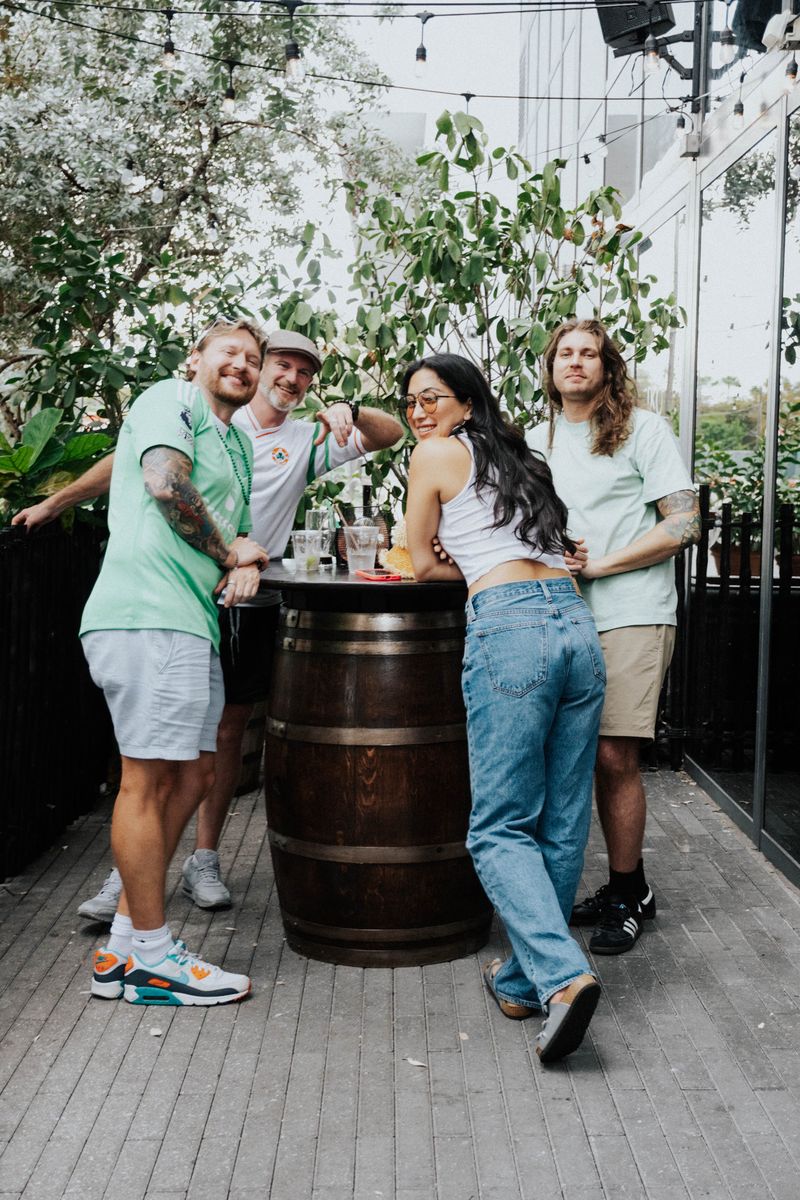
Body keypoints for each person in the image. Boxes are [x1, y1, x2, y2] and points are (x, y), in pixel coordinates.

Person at [14, 329, 403, 915]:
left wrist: (347, 408)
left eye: (303, 370)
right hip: (162, 602)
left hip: (233, 601)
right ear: (205, 362)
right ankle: (135, 900)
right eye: (273, 362)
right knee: (152, 771)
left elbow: (389, 433)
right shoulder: (186, 406)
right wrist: (56, 502)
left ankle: (198, 861)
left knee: (212, 750)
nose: (285, 376)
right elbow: (147, 470)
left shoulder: (296, 439)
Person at [404, 353, 605, 1065]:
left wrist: (454, 560)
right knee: (560, 816)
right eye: (412, 403)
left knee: (496, 828)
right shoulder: (521, 458)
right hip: (575, 626)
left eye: (434, 398)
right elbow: (557, 548)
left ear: (466, 402)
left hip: (510, 626)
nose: (421, 413)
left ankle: (563, 977)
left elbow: (417, 561)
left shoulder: (432, 455)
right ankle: (521, 979)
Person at [78, 315, 270, 1005]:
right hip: (145, 613)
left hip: (189, 622)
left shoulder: (237, 445)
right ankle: (153, 960)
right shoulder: (171, 398)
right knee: (147, 781)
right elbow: (165, 483)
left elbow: (231, 530)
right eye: (230, 352)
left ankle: (124, 946)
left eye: (253, 358)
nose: (244, 365)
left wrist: (240, 556)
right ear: (196, 359)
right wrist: (228, 552)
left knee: (194, 776)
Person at [528, 319, 700, 956]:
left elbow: (684, 524)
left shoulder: (642, 430)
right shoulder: (536, 436)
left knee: (613, 756)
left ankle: (626, 894)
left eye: (589, 354)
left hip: (630, 607)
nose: (576, 363)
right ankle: (633, 887)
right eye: (565, 354)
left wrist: (600, 564)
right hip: (555, 611)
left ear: (607, 368)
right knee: (571, 757)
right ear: (550, 368)